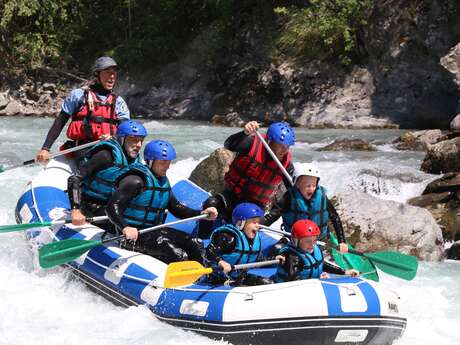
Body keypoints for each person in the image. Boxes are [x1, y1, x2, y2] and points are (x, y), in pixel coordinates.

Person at [106, 139, 218, 263]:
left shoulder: (162, 181)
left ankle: (203, 276)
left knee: (195, 244)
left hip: (153, 231)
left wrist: (201, 214)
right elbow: (112, 206)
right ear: (151, 161)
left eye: (169, 162)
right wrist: (125, 227)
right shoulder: (135, 181)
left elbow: (176, 208)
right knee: (177, 254)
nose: (167, 166)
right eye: (163, 162)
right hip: (132, 235)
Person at [199, 121, 295, 238]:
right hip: (232, 196)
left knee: (247, 223)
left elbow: (292, 193)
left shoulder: (287, 165)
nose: (282, 150)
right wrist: (244, 133)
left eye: (286, 147)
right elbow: (229, 145)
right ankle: (201, 239)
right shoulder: (251, 143)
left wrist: (269, 218)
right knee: (211, 203)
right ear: (269, 141)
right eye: (279, 145)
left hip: (255, 206)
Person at [36, 56, 130, 164]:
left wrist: (114, 137)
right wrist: (45, 149)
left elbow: (125, 129)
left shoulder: (118, 102)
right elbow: (60, 121)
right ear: (97, 75)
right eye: (107, 72)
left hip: (109, 146)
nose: (112, 76)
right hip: (83, 147)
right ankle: (80, 177)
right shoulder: (78, 95)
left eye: (114, 73)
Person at [68, 120, 147, 226]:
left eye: (141, 141)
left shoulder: (137, 162)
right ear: (121, 139)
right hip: (91, 208)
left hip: (114, 209)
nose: (138, 145)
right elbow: (75, 179)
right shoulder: (105, 155)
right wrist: (75, 210)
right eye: (133, 140)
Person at [264, 163, 349, 254]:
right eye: (308, 185)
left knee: (315, 258)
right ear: (297, 185)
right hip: (295, 241)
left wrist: (342, 241)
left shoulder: (322, 197)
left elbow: (335, 218)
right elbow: (274, 215)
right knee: (276, 250)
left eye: (314, 185)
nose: (311, 189)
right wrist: (260, 224)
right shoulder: (289, 197)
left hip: (317, 242)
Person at [205, 202, 273, 286]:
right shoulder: (228, 237)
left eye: (258, 222)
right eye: (254, 222)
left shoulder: (253, 240)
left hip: (238, 278)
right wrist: (220, 261)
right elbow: (208, 252)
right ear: (241, 223)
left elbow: (258, 260)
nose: (257, 226)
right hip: (217, 278)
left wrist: (274, 259)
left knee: (267, 283)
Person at [274, 220, 358, 282]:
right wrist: (318, 281)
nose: (312, 245)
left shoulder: (311, 249)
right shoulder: (292, 257)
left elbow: (320, 264)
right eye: (308, 241)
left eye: (314, 240)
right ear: (296, 241)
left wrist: (345, 272)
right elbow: (295, 281)